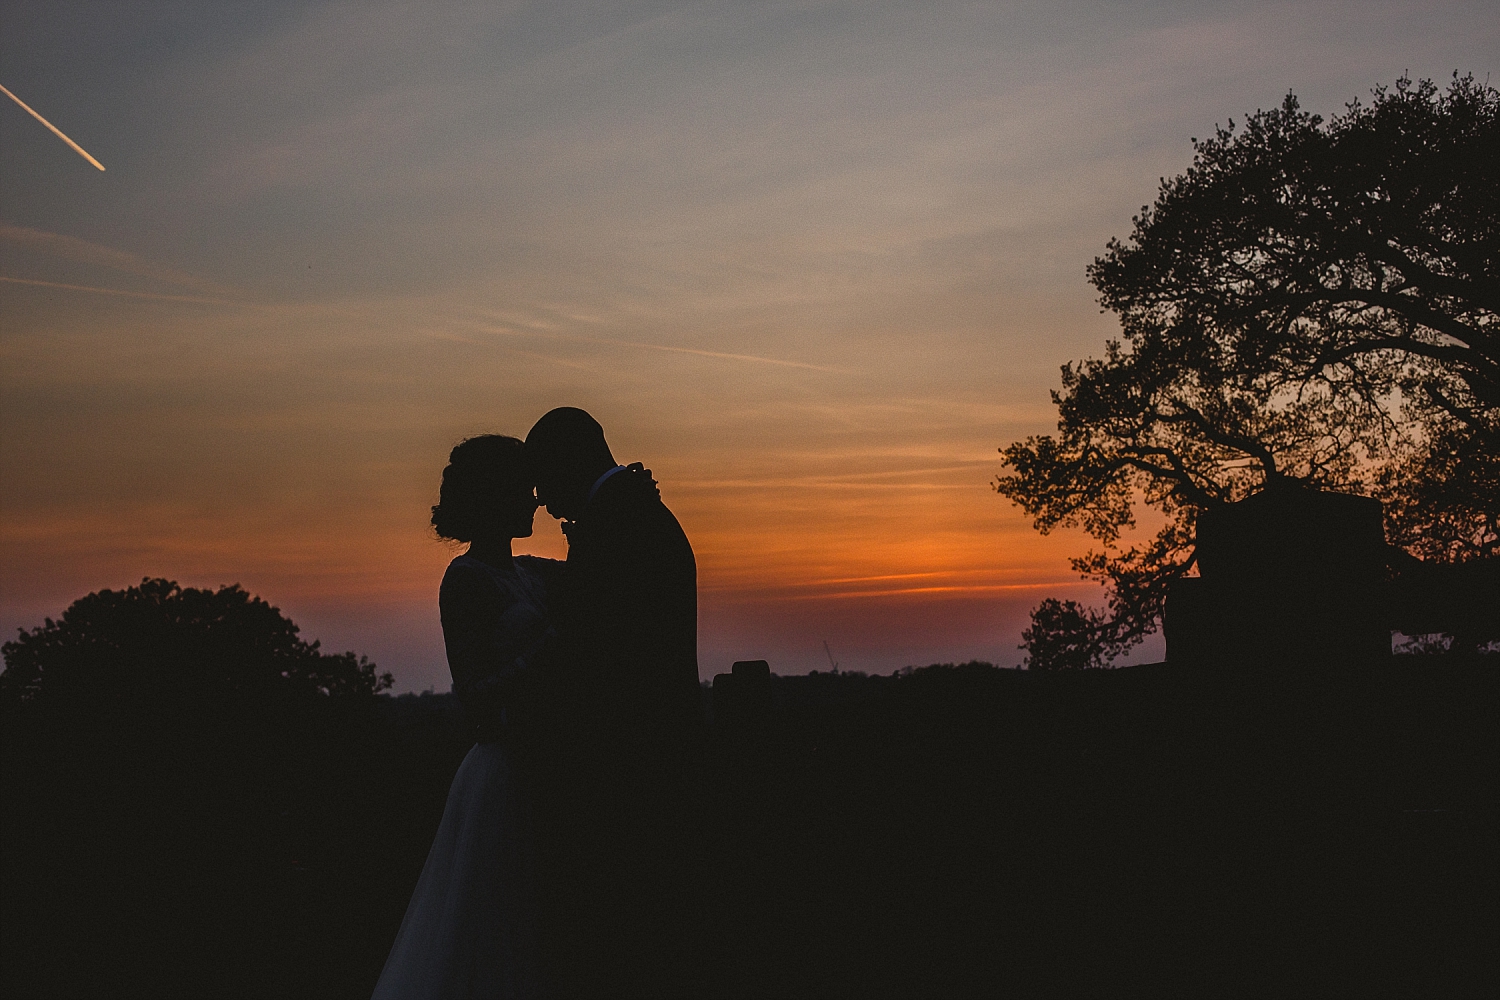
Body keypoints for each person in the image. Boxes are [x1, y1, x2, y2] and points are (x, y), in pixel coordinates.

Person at [523, 407, 708, 997]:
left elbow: (604, 647)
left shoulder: (621, 521)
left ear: (569, 462)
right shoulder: (626, 511)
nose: (542, 500)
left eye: (544, 480)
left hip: (635, 762)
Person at [372, 435, 558, 1000]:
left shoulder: (535, 571)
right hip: (503, 778)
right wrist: (541, 659)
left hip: (546, 766)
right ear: (497, 497)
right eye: (524, 491)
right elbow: (475, 704)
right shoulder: (466, 580)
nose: (535, 502)